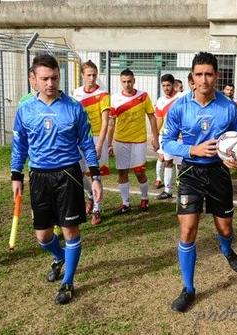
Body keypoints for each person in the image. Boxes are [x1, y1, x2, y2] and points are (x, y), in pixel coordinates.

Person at [11, 54, 103, 304]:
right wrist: (16, 174)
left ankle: (68, 282)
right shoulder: (25, 109)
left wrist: (95, 176)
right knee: (42, 237)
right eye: (45, 78)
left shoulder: (74, 107)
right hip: (39, 176)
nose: (50, 83)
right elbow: (20, 144)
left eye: (54, 77)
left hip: (68, 175)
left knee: (70, 230)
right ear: (33, 80)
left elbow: (86, 142)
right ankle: (60, 256)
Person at [162, 52, 237, 312]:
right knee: (188, 230)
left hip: (219, 173)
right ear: (191, 79)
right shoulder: (179, 106)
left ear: (217, 76)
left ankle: (226, 249)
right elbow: (167, 142)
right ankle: (188, 288)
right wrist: (193, 150)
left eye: (209, 74)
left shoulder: (229, 107)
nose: (204, 79)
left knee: (225, 229)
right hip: (190, 172)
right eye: (199, 75)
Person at [108, 68, 159, 213]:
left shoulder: (143, 96)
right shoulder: (115, 98)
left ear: (134, 81)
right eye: (124, 82)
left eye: (129, 81)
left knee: (139, 172)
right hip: (121, 141)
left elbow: (152, 117)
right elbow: (111, 122)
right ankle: (126, 204)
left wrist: (156, 139)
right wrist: (109, 143)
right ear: (120, 82)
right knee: (122, 173)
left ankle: (144, 198)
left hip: (139, 141)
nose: (127, 84)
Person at [72, 60, 110, 225]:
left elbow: (105, 122)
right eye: (89, 75)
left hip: (95, 136)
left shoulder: (103, 94)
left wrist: (100, 144)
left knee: (95, 173)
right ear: (82, 75)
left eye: (94, 74)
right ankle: (89, 195)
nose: (92, 78)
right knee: (79, 173)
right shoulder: (76, 93)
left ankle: (96, 209)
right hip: (79, 137)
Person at [154, 73, 182, 199]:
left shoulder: (181, 97)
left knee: (181, 164)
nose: (166, 88)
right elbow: (158, 120)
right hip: (166, 137)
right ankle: (168, 190)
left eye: (168, 85)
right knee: (168, 162)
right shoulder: (160, 101)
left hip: (181, 137)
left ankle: (183, 189)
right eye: (164, 85)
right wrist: (155, 137)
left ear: (174, 85)